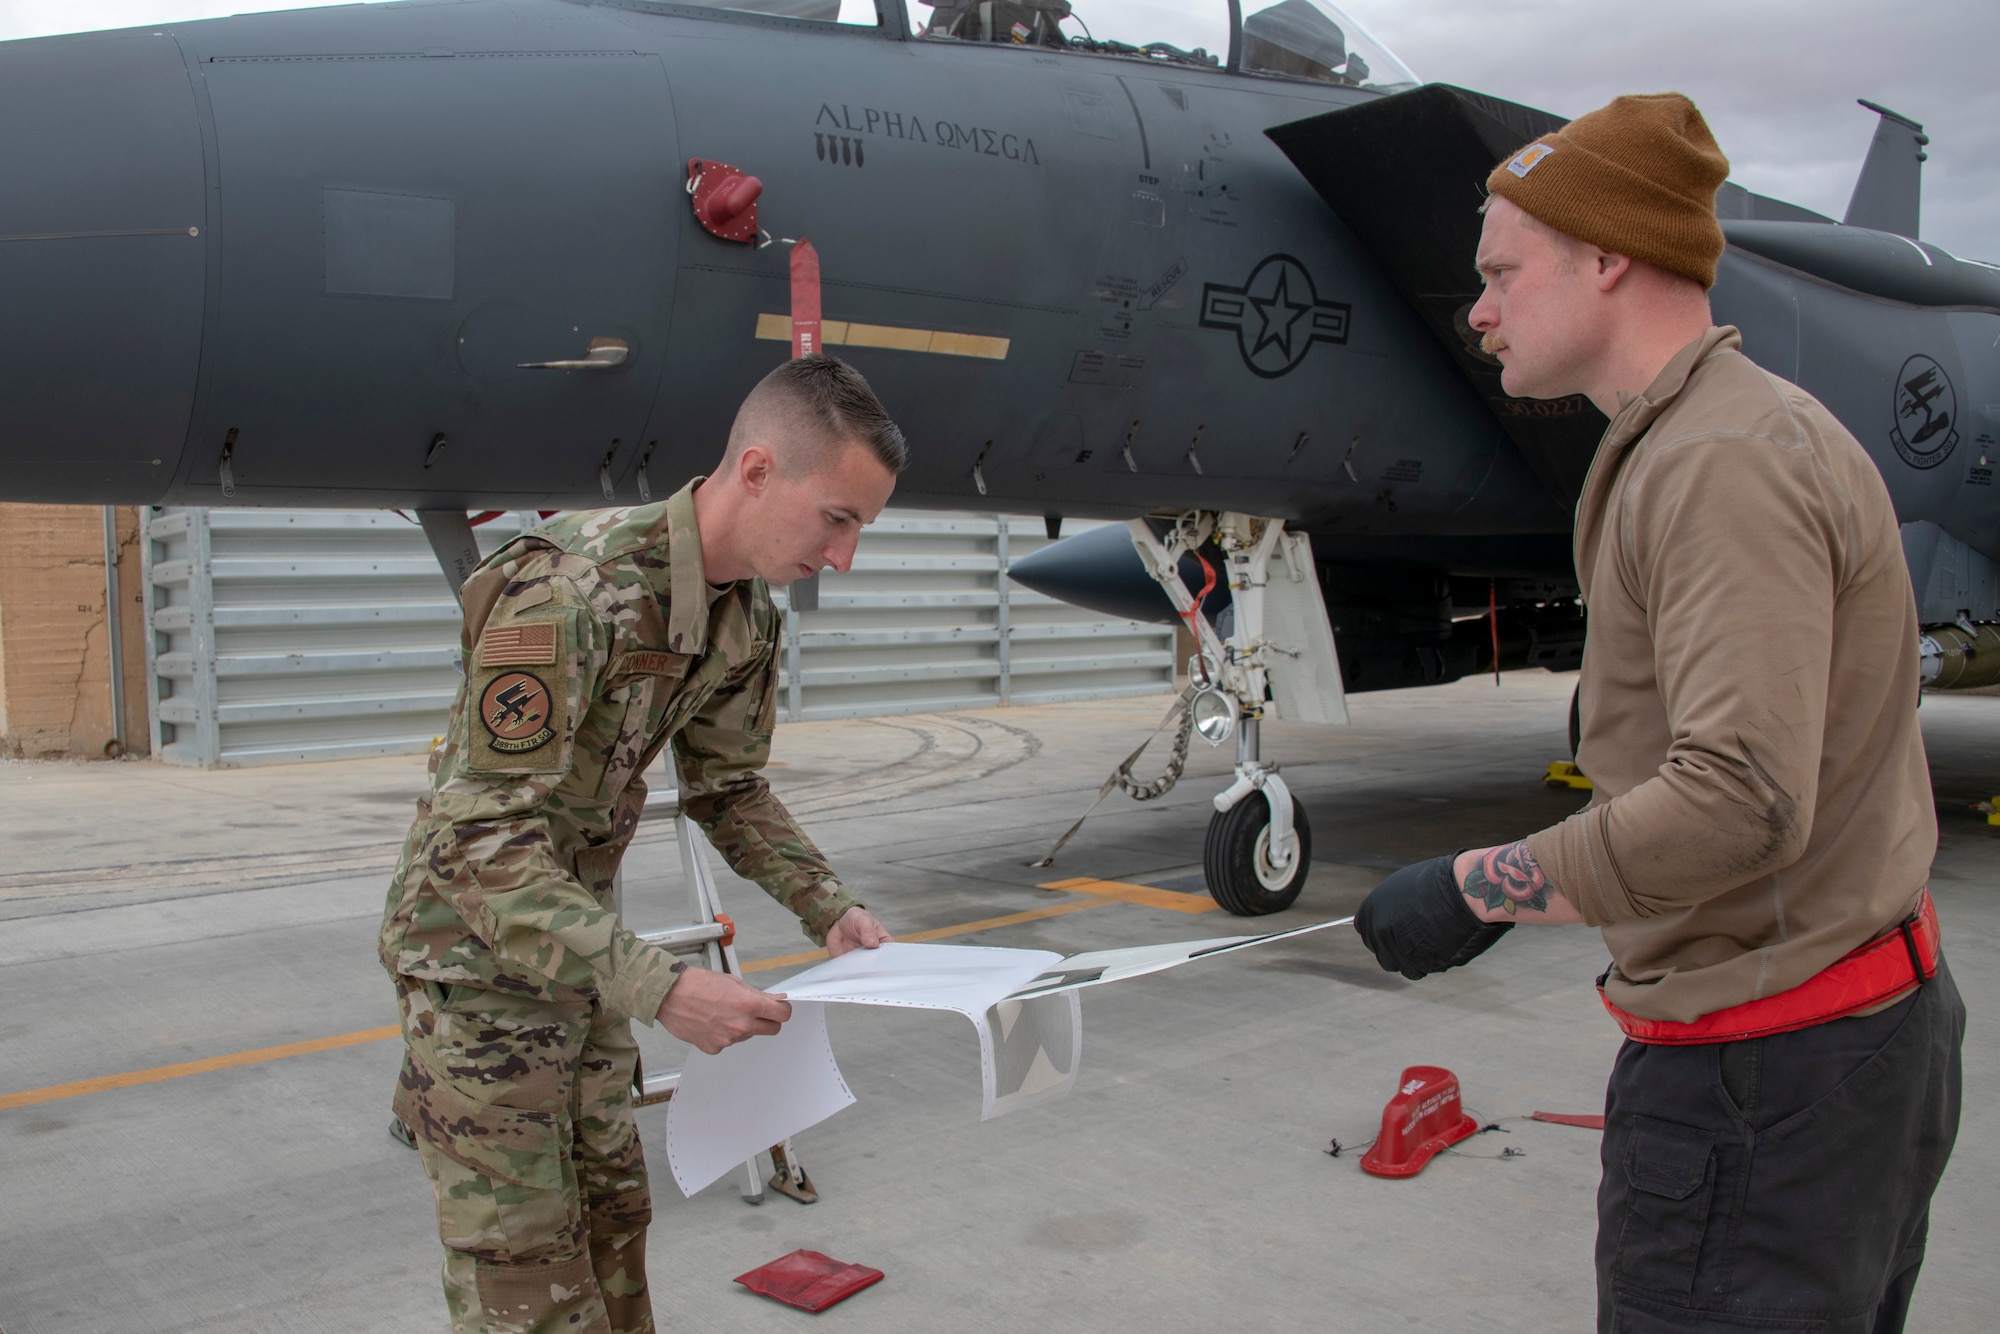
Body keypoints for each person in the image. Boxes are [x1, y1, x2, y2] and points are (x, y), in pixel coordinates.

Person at [1354, 94, 1964, 1333]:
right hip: (1829, 1051)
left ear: (1607, 255)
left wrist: (1480, 881)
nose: (1475, 310)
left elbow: (1737, 797)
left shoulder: (1718, 459)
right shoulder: (1709, 436)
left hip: (1766, 1085)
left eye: (1501, 272)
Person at [379, 354, 905, 1334]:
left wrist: (826, 904)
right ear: (755, 470)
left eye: (860, 529)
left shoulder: (741, 618)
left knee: (615, 1232)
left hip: (581, 963)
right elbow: (478, 842)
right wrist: (660, 984)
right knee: (529, 1284)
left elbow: (731, 788)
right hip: (478, 971)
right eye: (837, 518)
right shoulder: (568, 590)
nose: (844, 557)